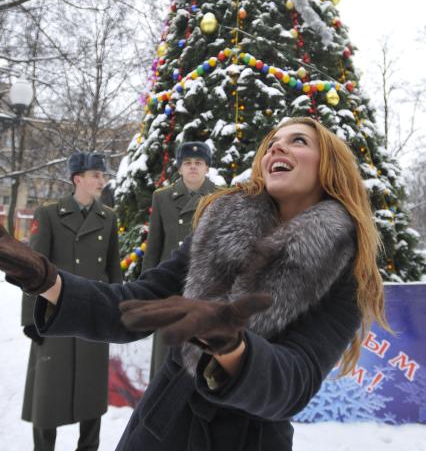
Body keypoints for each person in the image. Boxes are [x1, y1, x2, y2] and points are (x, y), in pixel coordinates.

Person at [0, 118, 389, 451]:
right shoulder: (218, 227)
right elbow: (132, 304)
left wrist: (233, 346)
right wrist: (43, 278)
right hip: (159, 428)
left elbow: (296, 379)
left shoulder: (349, 271)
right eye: (271, 143)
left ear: (329, 166)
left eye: (298, 141)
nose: (276, 148)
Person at [20, 151, 122, 451]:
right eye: (96, 175)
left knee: (92, 392)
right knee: (48, 392)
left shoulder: (108, 217)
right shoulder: (49, 214)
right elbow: (33, 270)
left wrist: (117, 311)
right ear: (78, 179)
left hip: (95, 313)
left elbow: (113, 270)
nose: (102, 180)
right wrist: (30, 319)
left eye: (102, 175)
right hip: (53, 314)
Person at [142, 140, 218, 377]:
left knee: (201, 355)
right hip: (170, 288)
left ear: (207, 167)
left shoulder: (219, 197)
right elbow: (154, 247)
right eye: (187, 163)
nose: (193, 167)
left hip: (206, 289)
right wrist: (147, 290)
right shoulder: (162, 197)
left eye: (198, 163)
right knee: (165, 357)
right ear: (179, 167)